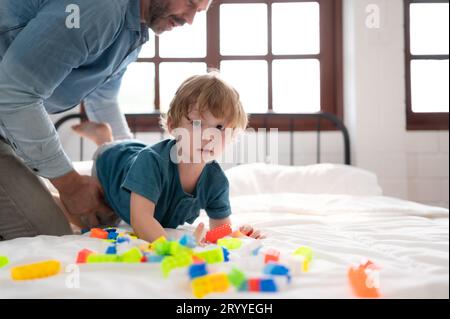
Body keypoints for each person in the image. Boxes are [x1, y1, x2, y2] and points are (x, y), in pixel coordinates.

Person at [0, 0, 211, 240]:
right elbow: (13, 93)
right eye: (190, 3)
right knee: (50, 235)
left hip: (8, 126)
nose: (191, 19)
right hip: (7, 111)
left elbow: (103, 99)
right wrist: (70, 183)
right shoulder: (103, 8)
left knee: (104, 212)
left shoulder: (133, 32)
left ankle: (102, 142)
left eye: (200, 11)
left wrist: (137, 160)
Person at [58, 73, 264, 242]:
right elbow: (141, 219)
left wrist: (238, 236)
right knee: (100, 217)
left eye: (220, 127)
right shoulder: (152, 163)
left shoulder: (216, 180)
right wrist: (170, 248)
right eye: (197, 124)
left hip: (138, 154)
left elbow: (221, 230)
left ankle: (107, 135)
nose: (209, 137)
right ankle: (104, 140)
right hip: (113, 164)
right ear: (173, 126)